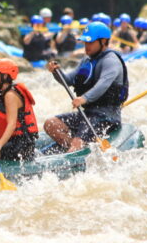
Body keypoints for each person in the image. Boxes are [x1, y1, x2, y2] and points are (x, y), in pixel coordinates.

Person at [44, 21, 129, 152]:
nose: (86, 46)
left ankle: (75, 148)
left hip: (106, 117)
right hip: (88, 114)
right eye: (85, 42)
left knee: (78, 142)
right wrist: (56, 72)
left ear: (103, 41)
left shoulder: (111, 61)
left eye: (90, 42)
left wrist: (84, 98)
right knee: (51, 124)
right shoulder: (87, 60)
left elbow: (103, 84)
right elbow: (68, 80)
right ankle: (72, 149)